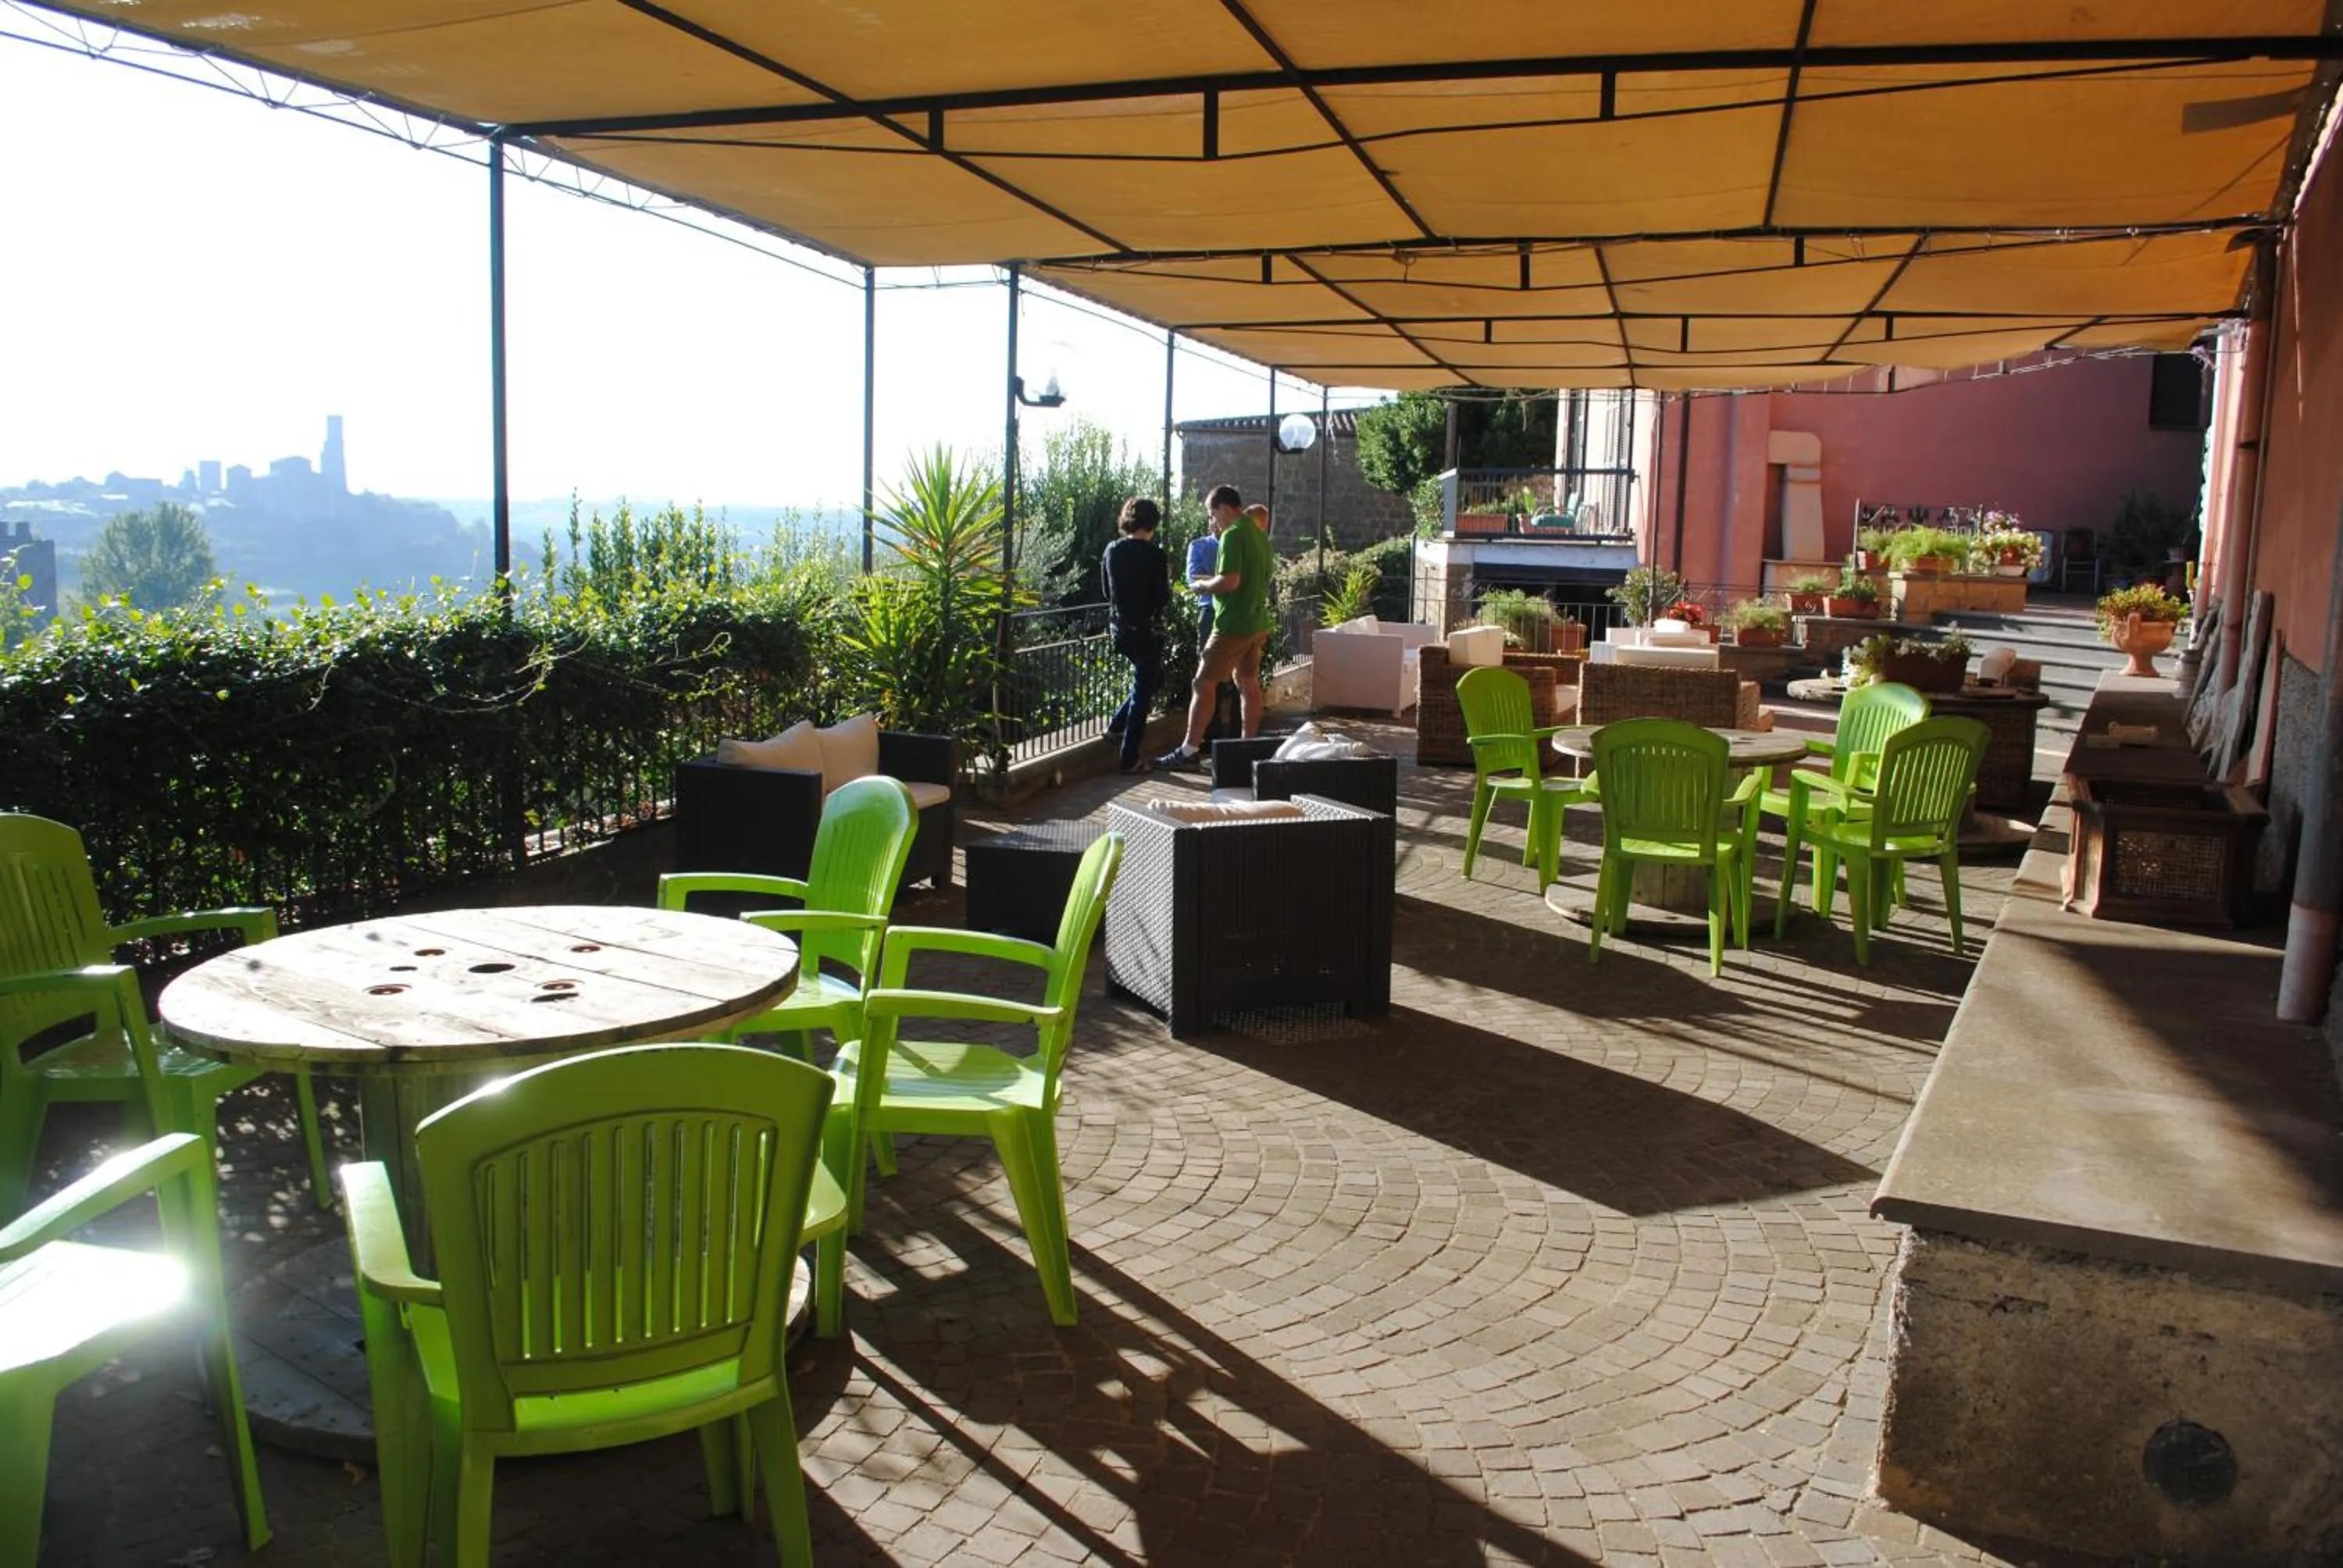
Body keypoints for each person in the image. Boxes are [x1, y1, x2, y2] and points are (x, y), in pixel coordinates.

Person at [1157, 486, 1274, 771]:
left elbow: (1229, 581)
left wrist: (1202, 586)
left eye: (1212, 514)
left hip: (1232, 623)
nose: (1213, 522)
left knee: (1202, 682)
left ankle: (1189, 750)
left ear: (1224, 508)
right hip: (1257, 623)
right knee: (1248, 683)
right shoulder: (1259, 534)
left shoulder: (1233, 535)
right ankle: (1248, 747)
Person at [1100, 496, 1170, 774]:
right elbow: (1162, 597)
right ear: (1152, 524)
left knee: (1149, 681)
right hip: (1146, 630)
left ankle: (1116, 727)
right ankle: (1129, 758)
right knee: (1144, 691)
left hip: (1119, 628)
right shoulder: (1156, 555)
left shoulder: (1112, 550)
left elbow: (1107, 592)